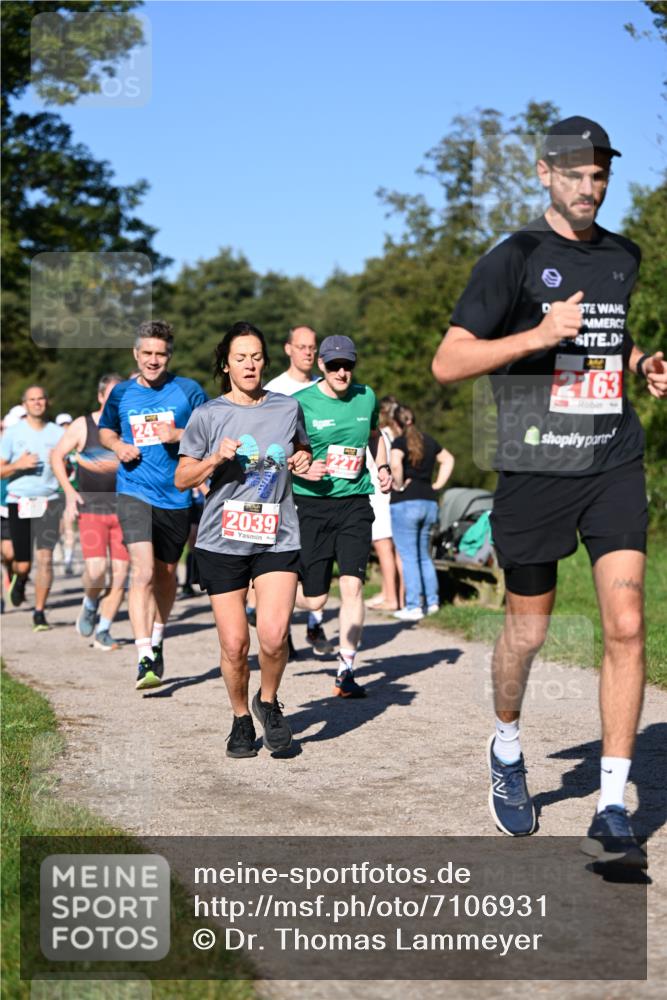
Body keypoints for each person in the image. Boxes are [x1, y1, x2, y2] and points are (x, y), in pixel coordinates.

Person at [432, 116, 666, 867]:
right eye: (574, 173)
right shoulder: (514, 258)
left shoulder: (623, 256)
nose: (588, 186)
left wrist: (638, 364)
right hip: (534, 471)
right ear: (543, 174)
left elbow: (604, 334)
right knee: (527, 634)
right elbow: (448, 362)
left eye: (599, 174)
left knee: (625, 625)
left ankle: (609, 804)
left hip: (609, 462)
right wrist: (535, 336)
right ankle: (505, 744)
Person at [175, 321, 311, 758]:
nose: (249, 364)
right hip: (222, 539)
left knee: (273, 638)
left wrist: (305, 459)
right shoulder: (208, 415)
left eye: (256, 357)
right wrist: (216, 457)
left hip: (277, 534)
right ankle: (239, 718)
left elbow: (301, 450)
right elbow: (182, 478)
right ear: (226, 364)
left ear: (265, 361)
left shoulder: (288, 408)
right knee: (235, 645)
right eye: (240, 358)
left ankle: (268, 702)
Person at [98, 320, 208, 689]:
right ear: (136, 354)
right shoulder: (121, 394)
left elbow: (211, 430)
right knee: (142, 571)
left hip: (176, 494)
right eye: (147, 353)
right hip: (133, 490)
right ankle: (143, 654)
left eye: (160, 354)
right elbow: (106, 429)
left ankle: (158, 637)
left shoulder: (187, 390)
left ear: (169, 356)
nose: (153, 360)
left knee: (166, 573)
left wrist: (179, 434)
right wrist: (117, 447)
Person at [293, 335, 392, 697]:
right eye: (333, 365)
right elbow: (281, 452)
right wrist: (301, 470)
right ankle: (264, 593)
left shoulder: (366, 396)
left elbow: (374, 434)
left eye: (347, 365)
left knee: (352, 586)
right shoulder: (300, 403)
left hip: (354, 502)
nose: (341, 371)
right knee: (316, 600)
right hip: (312, 505)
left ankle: (346, 671)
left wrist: (381, 465)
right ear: (320, 365)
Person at [265, 324, 333, 656]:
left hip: (324, 491)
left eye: (313, 347)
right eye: (302, 346)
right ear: (288, 349)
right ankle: (284, 629)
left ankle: (314, 624)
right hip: (285, 491)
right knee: (289, 562)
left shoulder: (326, 387)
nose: (308, 352)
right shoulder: (274, 389)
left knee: (317, 558)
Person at [50, 374, 129, 650]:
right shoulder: (83, 425)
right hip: (92, 509)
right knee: (97, 571)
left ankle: (104, 630)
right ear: (100, 397)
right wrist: (69, 492)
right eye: (111, 396)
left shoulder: (128, 426)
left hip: (125, 511)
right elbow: (56, 455)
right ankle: (91, 601)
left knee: (121, 574)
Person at [0, 386, 64, 630]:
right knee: (23, 562)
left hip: (49, 500)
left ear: (47, 402)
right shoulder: (13, 433)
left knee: (45, 559)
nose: (37, 403)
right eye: (32, 399)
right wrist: (20, 464)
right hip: (20, 500)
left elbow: (70, 466)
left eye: (41, 398)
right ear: (24, 404)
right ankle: (20, 579)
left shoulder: (58, 433)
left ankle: (39, 612)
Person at [389, 405, 454, 621]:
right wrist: (437, 484)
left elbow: (396, 464)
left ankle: (414, 605)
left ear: (396, 424)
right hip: (429, 501)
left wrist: (397, 486)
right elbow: (448, 459)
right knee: (424, 555)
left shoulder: (399, 442)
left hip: (405, 502)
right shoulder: (429, 440)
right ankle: (432, 602)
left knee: (408, 557)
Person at [366, 395, 403, 612]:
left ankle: (391, 597)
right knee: (395, 548)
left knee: (383, 547)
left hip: (379, 496)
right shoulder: (396, 436)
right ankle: (394, 593)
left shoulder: (382, 437)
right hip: (390, 495)